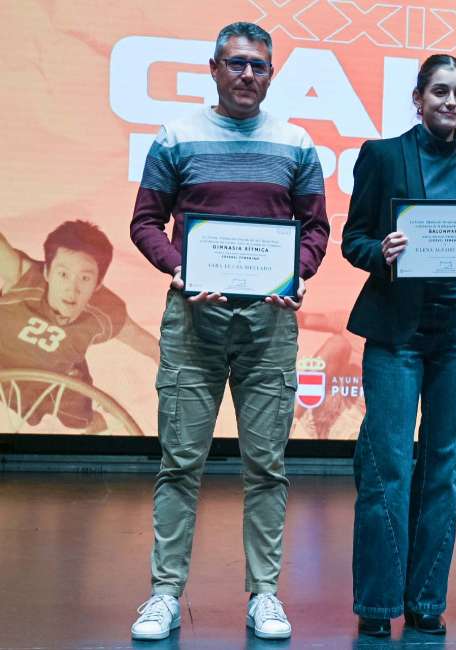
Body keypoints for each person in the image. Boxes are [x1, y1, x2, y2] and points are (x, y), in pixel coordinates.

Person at [128, 22, 329, 641]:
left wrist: (293, 276)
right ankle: (164, 593)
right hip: (193, 317)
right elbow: (145, 222)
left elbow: (315, 229)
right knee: (180, 461)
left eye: (259, 67)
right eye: (236, 64)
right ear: (213, 69)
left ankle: (264, 593)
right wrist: (181, 269)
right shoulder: (175, 136)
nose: (248, 75)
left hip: (269, 322)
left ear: (272, 75)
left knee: (266, 465)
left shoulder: (296, 144)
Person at [341, 54, 456, 638]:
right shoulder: (382, 155)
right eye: (440, 92)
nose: (450, 103)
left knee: (445, 468)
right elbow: (354, 238)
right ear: (418, 97)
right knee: (389, 466)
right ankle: (379, 605)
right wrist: (383, 251)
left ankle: (427, 599)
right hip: (398, 331)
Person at [0, 221, 158, 432]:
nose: (71, 288)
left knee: (81, 419)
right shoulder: (21, 277)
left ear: (98, 284)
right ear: (47, 272)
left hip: (59, 386)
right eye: (63, 274)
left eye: (84, 278)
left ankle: (100, 424)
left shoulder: (105, 313)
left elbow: (152, 348)